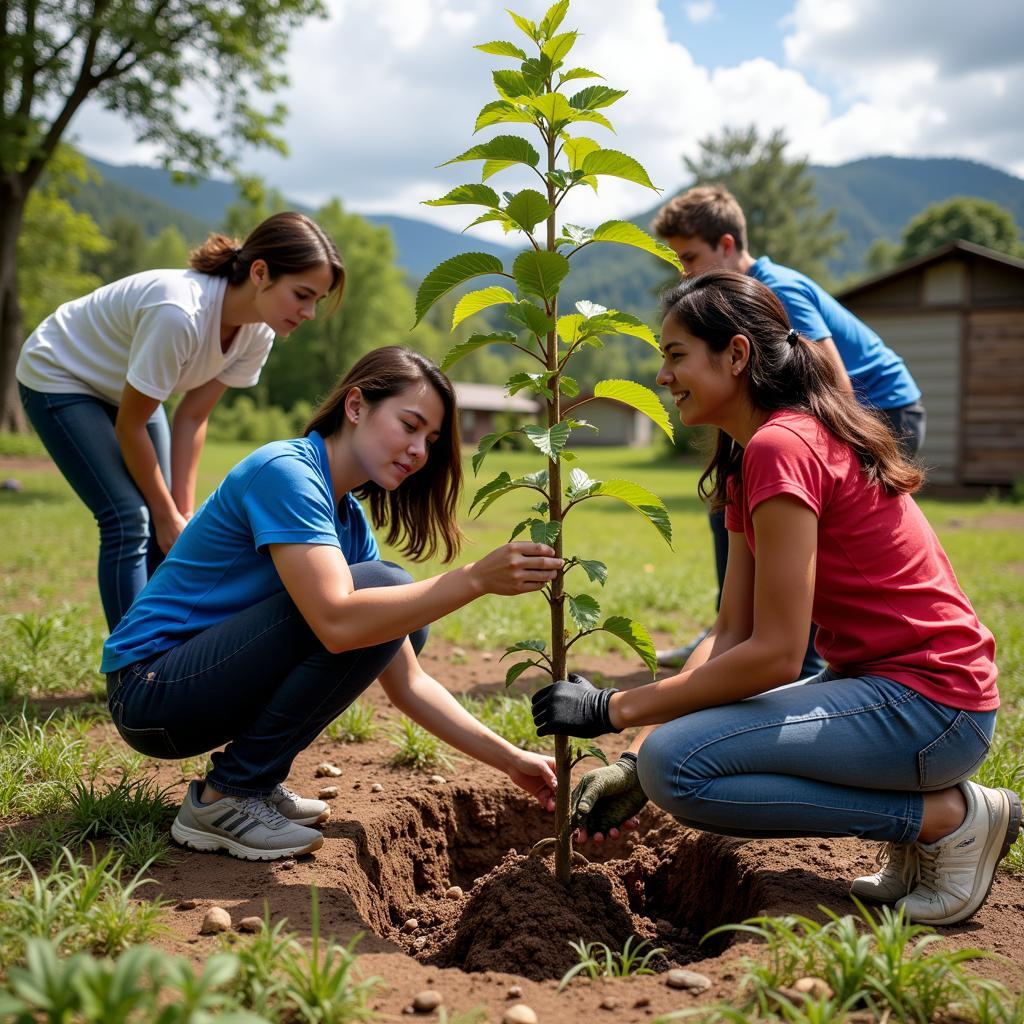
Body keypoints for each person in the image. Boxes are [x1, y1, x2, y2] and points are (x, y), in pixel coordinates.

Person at [531, 271, 1020, 927]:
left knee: (676, 769)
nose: (662, 377)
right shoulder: (752, 453)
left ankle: (944, 819)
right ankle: (920, 832)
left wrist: (610, 708)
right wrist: (631, 748)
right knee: (659, 756)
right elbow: (732, 632)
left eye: (675, 356)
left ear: (735, 355)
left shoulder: (781, 446)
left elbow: (778, 656)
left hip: (933, 704)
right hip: (894, 694)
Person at [102, 346, 563, 861]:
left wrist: (509, 759)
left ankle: (253, 778)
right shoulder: (286, 472)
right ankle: (229, 794)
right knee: (380, 590)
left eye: (430, 440)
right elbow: (337, 624)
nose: (418, 451)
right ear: (356, 405)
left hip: (195, 689)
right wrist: (475, 578)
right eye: (409, 425)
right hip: (150, 690)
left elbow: (408, 683)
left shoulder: (347, 522)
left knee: (396, 612)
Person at [17, 211, 344, 630]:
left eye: (316, 300)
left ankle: (165, 654)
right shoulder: (179, 312)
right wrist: (164, 512)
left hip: (131, 391)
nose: (309, 313)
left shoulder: (258, 331)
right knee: (129, 517)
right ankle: (132, 670)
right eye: (302, 294)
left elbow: (191, 416)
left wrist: (179, 511)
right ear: (261, 273)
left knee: (172, 523)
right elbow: (131, 426)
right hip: (61, 374)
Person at [651, 186, 925, 673]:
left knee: (804, 526)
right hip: (813, 420)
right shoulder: (731, 303)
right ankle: (741, 626)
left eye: (691, 257)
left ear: (728, 246)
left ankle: (798, 655)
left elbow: (834, 380)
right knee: (734, 508)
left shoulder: (780, 288)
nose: (686, 273)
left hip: (878, 408)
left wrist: (796, 455)